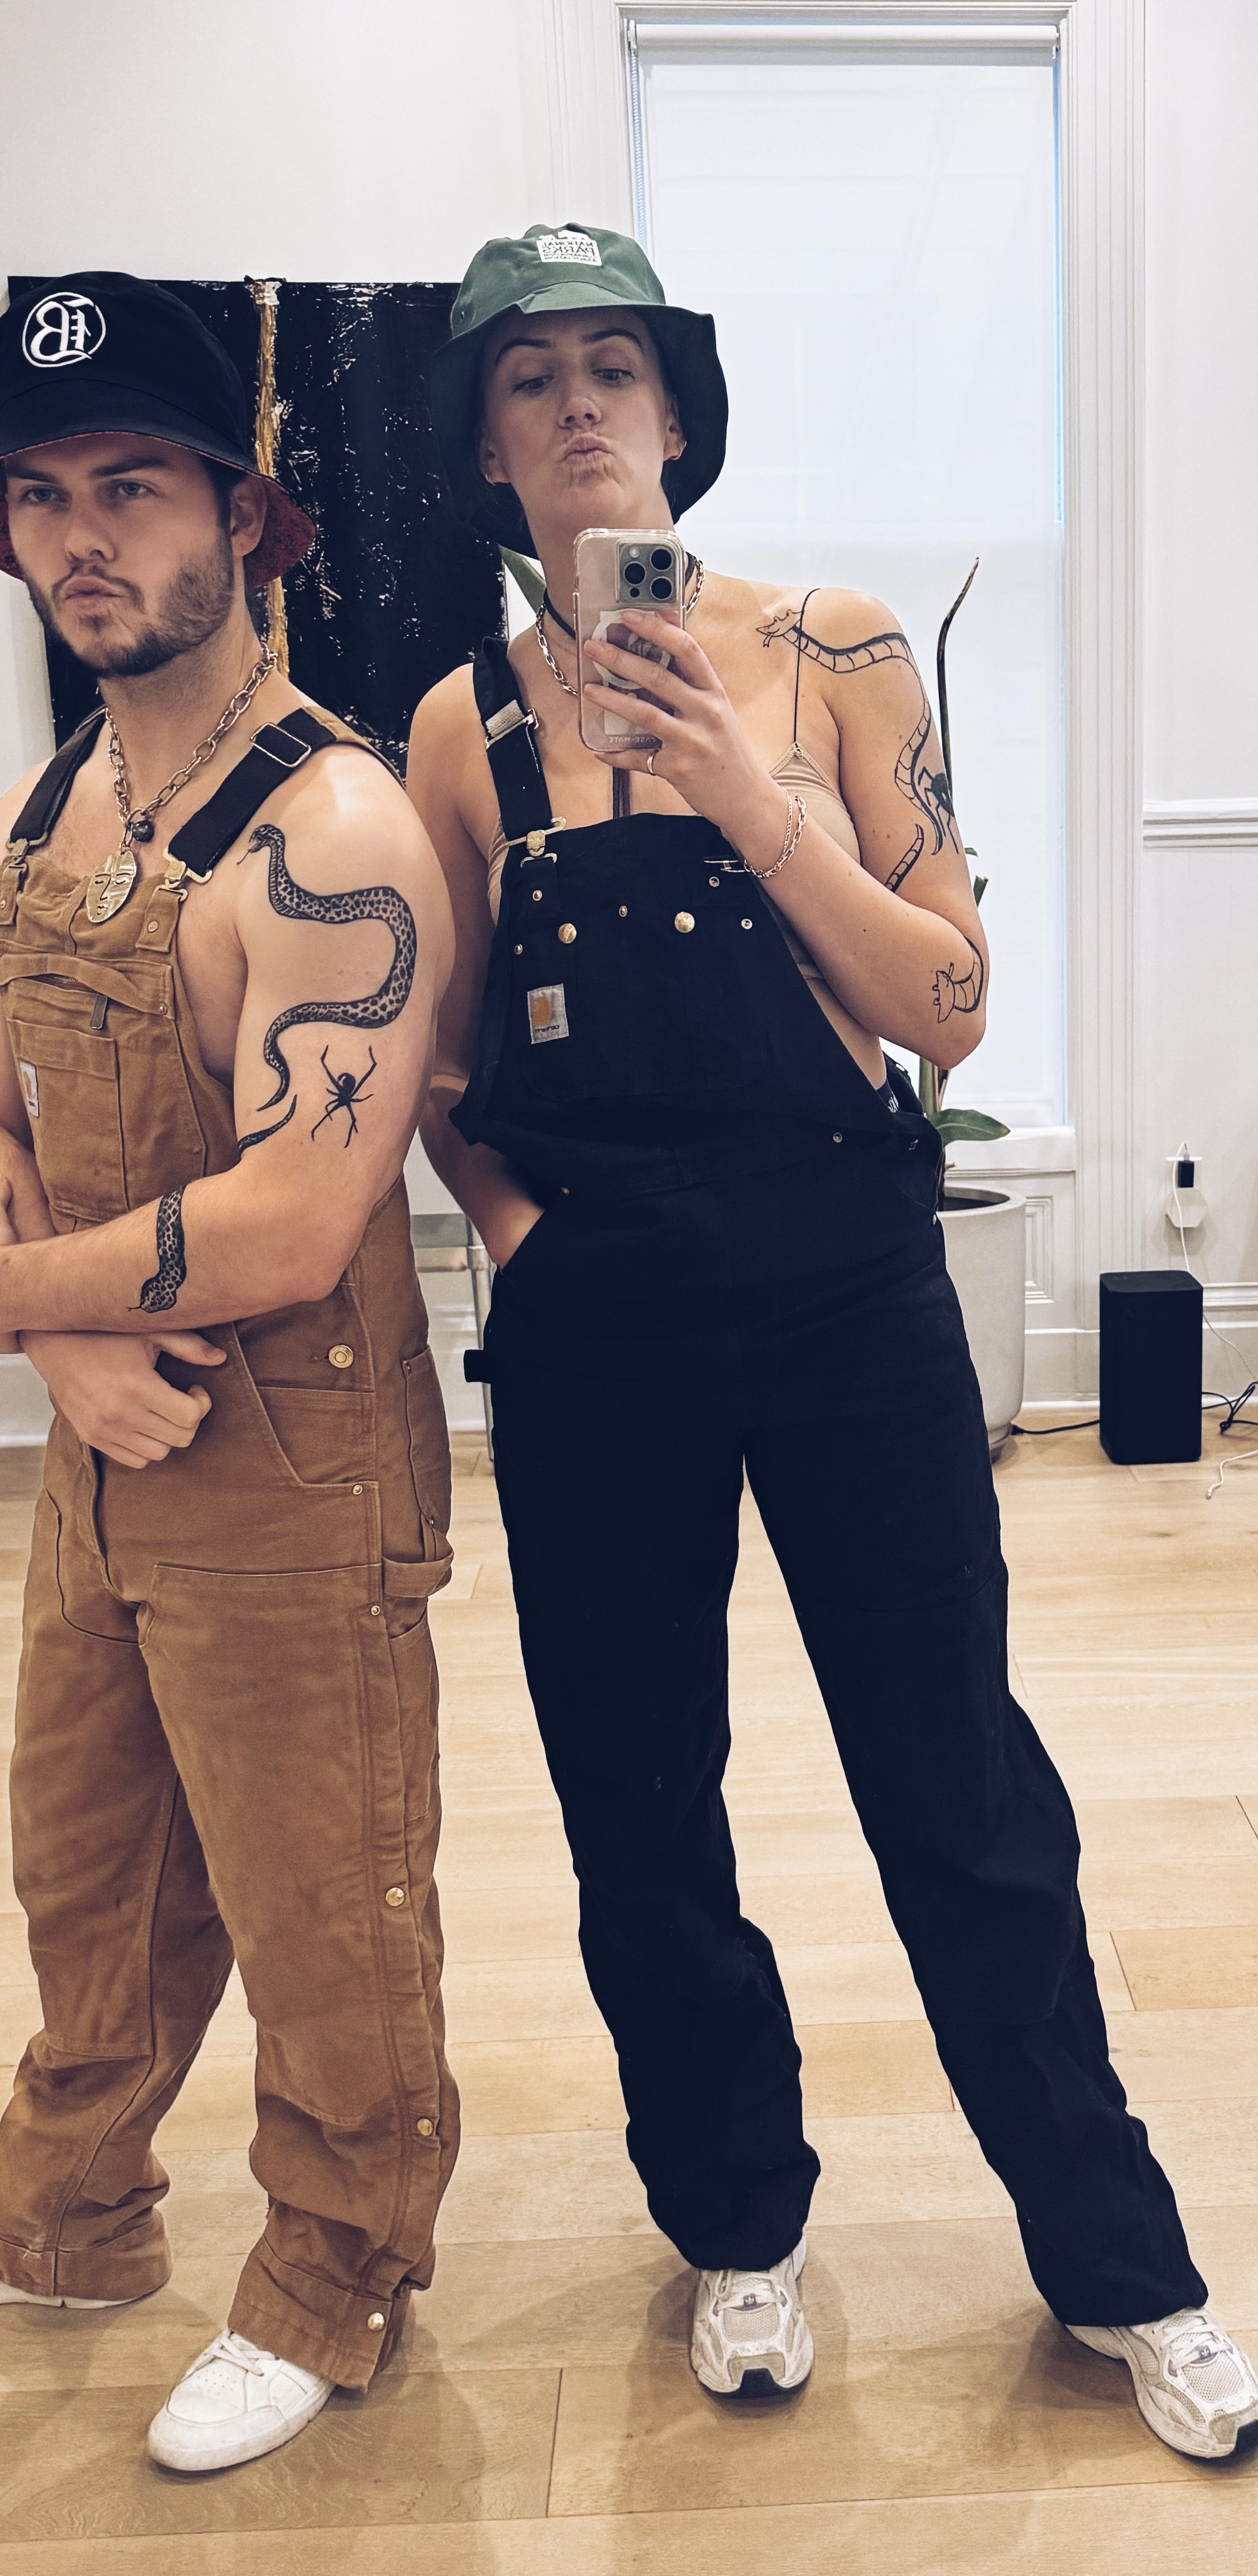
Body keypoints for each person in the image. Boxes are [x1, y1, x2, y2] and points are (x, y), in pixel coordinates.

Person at [407, 220, 1258, 2461]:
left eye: (614, 366)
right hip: (596, 1320)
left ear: (679, 413)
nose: (578, 407)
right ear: (487, 447)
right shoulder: (460, 725)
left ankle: (1122, 2261)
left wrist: (740, 791)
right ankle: (737, 2222)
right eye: (529, 380)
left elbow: (945, 1003)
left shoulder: (836, 650)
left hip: (845, 1281)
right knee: (635, 1799)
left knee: (955, 1781)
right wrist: (519, 1238)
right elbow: (443, 1054)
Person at [0, 271, 458, 2476]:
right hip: (99, 1453)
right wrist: (62, 1332)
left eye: (132, 486)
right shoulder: (34, 813)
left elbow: (297, 1213)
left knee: (321, 1897)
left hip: (291, 1454)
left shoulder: (336, 830)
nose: (82, 535)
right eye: (42, 495)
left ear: (244, 519)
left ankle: (334, 2271)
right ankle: (71, 2213)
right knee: (85, 1865)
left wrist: (7, 1302)